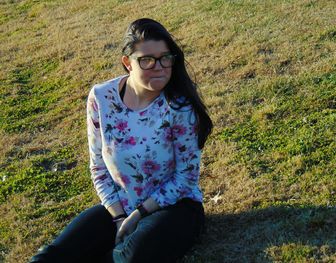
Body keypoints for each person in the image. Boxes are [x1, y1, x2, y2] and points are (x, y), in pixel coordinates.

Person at [29, 18, 213, 263]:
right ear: (128, 63)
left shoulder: (179, 107)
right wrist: (117, 217)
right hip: (120, 206)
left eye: (165, 58)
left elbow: (186, 177)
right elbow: (98, 166)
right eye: (146, 60)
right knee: (55, 254)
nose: (158, 66)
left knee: (130, 257)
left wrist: (139, 214)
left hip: (175, 207)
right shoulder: (101, 98)